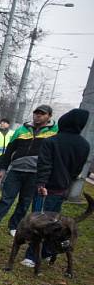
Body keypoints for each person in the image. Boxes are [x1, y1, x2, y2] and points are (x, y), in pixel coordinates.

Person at [0, 104, 58, 236]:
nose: (38, 115)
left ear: (49, 116)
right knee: (6, 199)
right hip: (17, 169)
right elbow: (10, 149)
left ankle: (14, 226)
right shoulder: (22, 129)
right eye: (36, 113)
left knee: (24, 202)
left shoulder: (54, 131)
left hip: (35, 173)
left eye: (42, 113)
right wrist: (3, 168)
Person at [23, 108, 91, 266]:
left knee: (38, 222)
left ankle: (32, 257)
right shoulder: (84, 145)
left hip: (45, 189)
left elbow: (44, 165)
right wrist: (67, 185)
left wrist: (41, 184)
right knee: (53, 222)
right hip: (62, 189)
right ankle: (46, 252)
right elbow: (77, 170)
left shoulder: (52, 141)